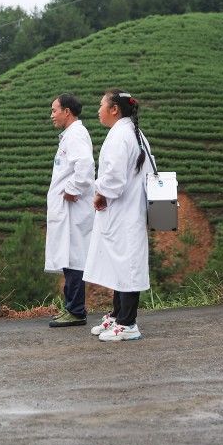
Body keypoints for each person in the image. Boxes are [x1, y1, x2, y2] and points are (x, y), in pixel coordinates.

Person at [84, 89, 154, 342]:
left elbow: (113, 180)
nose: (98, 110)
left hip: (123, 212)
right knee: (120, 264)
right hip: (126, 211)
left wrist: (99, 192)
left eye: (101, 105)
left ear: (115, 109)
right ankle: (117, 315)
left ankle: (128, 324)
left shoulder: (119, 136)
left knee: (127, 266)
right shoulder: (132, 133)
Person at [44, 94, 95, 327]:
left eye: (54, 110)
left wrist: (70, 190)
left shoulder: (76, 135)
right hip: (67, 210)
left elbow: (85, 168)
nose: (52, 115)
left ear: (67, 111)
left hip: (73, 209)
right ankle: (71, 308)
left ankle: (75, 310)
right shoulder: (69, 136)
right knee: (69, 257)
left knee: (74, 258)